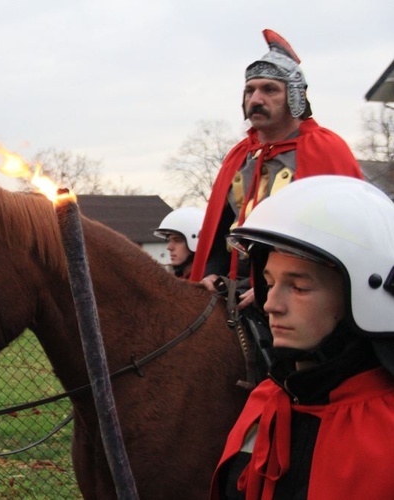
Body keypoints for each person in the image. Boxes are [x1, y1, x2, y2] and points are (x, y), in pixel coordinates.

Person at [210, 176, 394, 499]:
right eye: (269, 282)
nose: (270, 304)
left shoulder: (385, 429)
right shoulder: (266, 401)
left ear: (363, 297)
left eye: (298, 287)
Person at [190, 29, 362, 307]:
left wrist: (274, 287)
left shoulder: (325, 149)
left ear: (295, 96)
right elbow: (221, 227)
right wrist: (211, 272)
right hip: (234, 285)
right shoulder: (240, 155)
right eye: (250, 90)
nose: (256, 99)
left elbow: (339, 240)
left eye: (269, 89)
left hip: (300, 294)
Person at [153, 206, 205, 279]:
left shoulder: (209, 286)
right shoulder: (179, 281)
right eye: (169, 240)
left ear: (196, 242)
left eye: (177, 240)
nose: (169, 247)